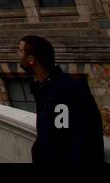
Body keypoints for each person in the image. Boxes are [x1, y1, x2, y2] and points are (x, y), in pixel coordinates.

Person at [19, 34, 104, 163]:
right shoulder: (43, 90)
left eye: (20, 51)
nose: (18, 56)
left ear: (31, 59)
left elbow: (81, 137)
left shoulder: (67, 89)